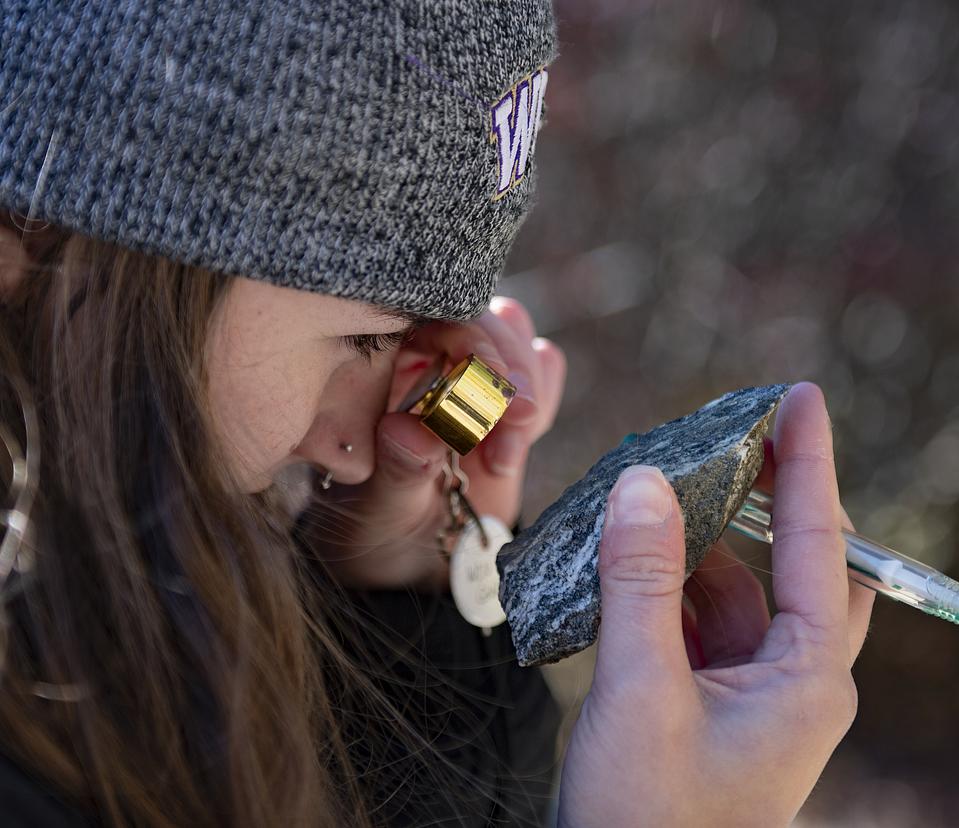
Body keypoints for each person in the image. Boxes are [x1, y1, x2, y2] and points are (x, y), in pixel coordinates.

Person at [0, 2, 874, 827]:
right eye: (361, 339)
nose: (349, 455)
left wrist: (400, 616)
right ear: (55, 233)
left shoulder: (126, 596)